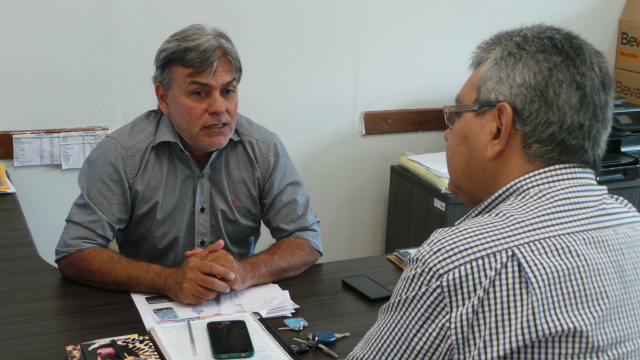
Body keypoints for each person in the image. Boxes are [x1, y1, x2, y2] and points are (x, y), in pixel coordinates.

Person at [348, 24, 640, 359]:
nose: (448, 135)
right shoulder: (630, 223)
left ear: (499, 127)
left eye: (456, 115)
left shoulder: (458, 262)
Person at [55, 24, 322, 305]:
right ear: (164, 99)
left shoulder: (264, 149)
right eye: (199, 93)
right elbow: (74, 252)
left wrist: (246, 271)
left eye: (228, 91)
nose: (219, 107)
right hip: (147, 308)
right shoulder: (122, 153)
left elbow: (306, 239)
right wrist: (167, 280)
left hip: (235, 306)